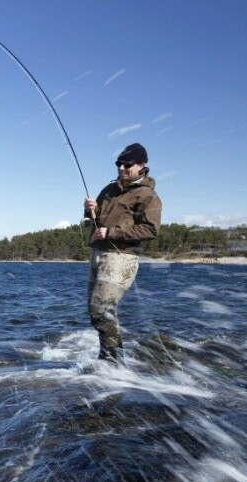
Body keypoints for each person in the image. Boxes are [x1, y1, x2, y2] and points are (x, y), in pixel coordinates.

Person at [82, 143, 162, 363]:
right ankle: (110, 359)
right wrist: (90, 210)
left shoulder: (148, 195)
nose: (122, 168)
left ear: (141, 165)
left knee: (101, 310)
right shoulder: (109, 190)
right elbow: (92, 220)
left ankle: (113, 361)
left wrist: (112, 232)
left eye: (127, 164)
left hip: (122, 257)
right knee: (97, 312)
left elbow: (150, 229)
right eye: (119, 164)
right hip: (97, 253)